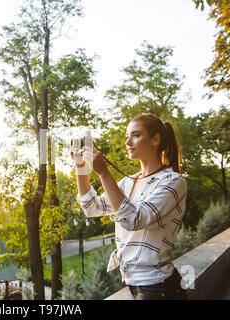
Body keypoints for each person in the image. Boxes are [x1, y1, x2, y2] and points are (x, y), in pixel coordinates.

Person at [71, 114, 188, 300]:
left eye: (135, 135)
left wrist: (104, 173)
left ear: (155, 139)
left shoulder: (173, 182)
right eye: (127, 136)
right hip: (136, 284)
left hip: (158, 286)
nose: (127, 141)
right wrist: (80, 167)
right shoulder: (128, 182)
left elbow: (133, 219)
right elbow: (92, 207)